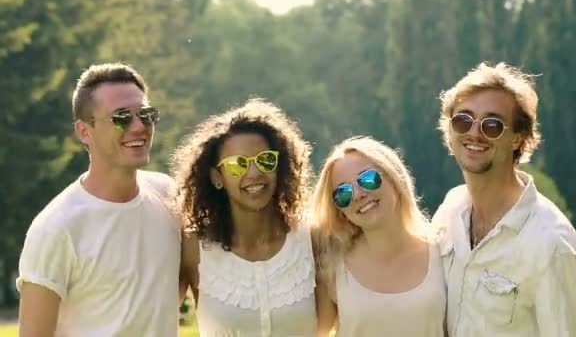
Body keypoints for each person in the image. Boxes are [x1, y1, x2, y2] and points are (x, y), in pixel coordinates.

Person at [433, 62, 576, 337]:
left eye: (493, 125)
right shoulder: (450, 210)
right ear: (449, 130)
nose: (475, 133)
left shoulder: (553, 245)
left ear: (517, 139)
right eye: (463, 120)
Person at [16, 63, 181, 336]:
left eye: (146, 115)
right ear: (84, 131)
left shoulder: (167, 196)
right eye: (122, 117)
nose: (139, 127)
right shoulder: (56, 228)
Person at [173, 98, 317, 337]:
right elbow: (150, 315)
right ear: (216, 177)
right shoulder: (193, 247)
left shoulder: (312, 238)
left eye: (265, 160)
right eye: (237, 165)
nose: (254, 173)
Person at [314, 136, 446, 337]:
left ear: (394, 177)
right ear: (340, 210)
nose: (358, 195)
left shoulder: (444, 253)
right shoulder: (333, 267)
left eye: (367, 179)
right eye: (343, 193)